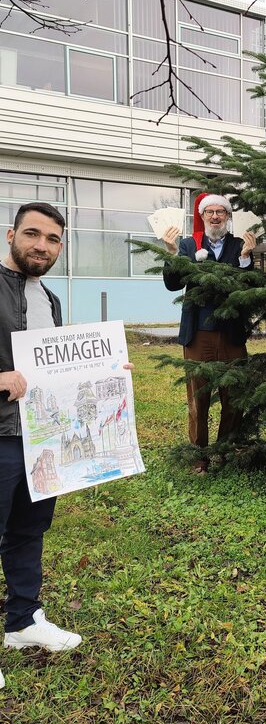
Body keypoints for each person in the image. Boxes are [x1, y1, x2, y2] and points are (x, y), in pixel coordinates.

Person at [0, 203, 83, 687]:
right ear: (11, 234)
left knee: (30, 530)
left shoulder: (48, 299)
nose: (41, 246)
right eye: (32, 234)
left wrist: (105, 371)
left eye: (52, 239)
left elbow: (52, 370)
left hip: (38, 438)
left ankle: (23, 623)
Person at [162, 194, 257, 474]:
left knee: (233, 398)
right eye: (210, 213)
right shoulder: (189, 245)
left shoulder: (240, 246)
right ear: (202, 217)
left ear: (228, 217)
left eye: (221, 212)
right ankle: (199, 458)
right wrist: (171, 253)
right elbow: (172, 284)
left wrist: (245, 259)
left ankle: (225, 453)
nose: (215, 217)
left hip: (231, 335)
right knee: (198, 399)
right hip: (198, 335)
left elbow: (249, 288)